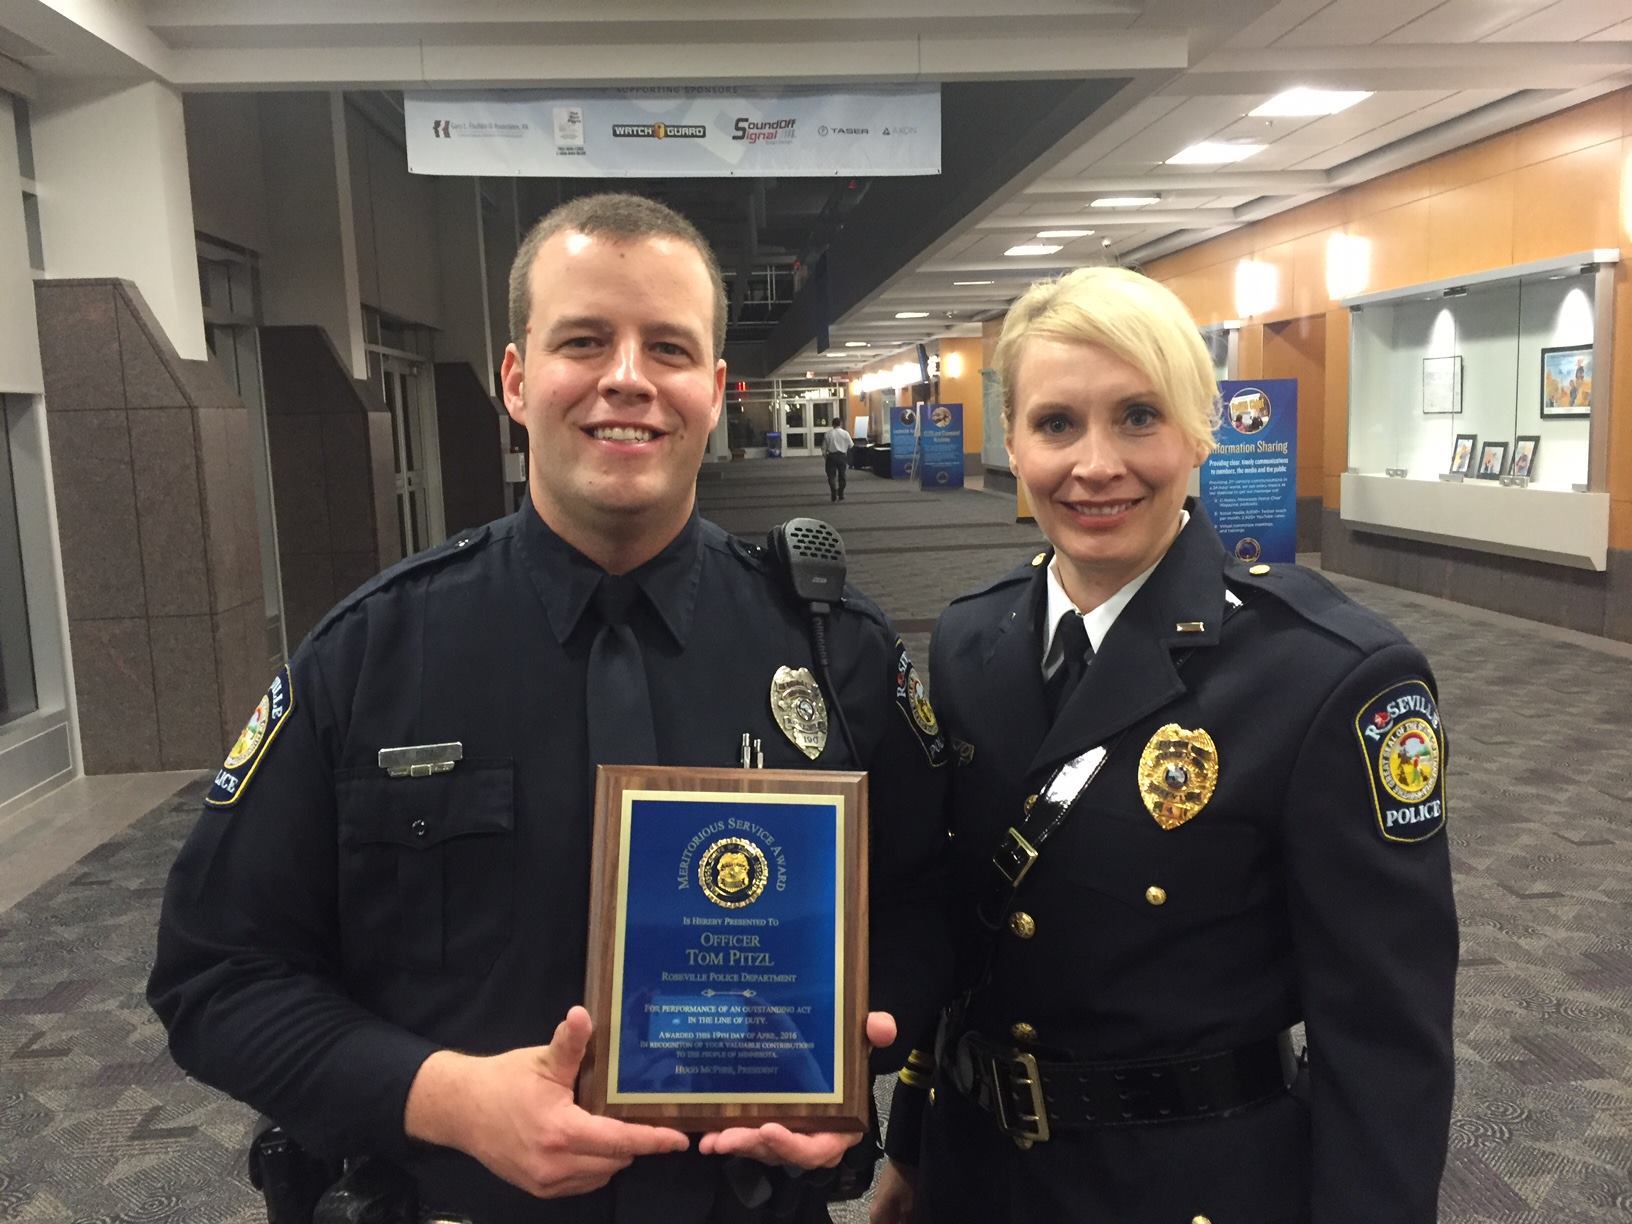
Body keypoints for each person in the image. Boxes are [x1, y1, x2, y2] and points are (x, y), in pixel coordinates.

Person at [149, 193, 951, 1224]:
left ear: (714, 390)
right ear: (517, 379)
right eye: (584, 341)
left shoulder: (833, 650)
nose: (628, 377)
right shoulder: (373, 656)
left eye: (668, 347)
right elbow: (216, 973)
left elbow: (932, 904)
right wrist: (442, 1097)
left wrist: (849, 1047)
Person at [872, 266, 1457, 1224]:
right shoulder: (971, 642)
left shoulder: (1325, 676)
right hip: (979, 1174)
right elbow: (967, 930)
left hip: (1187, 1182)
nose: (1096, 464)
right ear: (1011, 443)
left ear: (1198, 433)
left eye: (1139, 417)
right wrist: (915, 1142)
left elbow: (1384, 1038)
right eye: (1056, 424)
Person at [823, 420, 854, 502]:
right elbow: (851, 445)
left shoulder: (828, 434)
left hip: (831, 456)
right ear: (840, 424)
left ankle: (833, 491)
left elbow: (824, 449)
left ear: (832, 424)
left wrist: (826, 458)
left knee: (831, 476)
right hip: (842, 456)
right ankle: (841, 493)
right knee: (842, 476)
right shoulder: (845, 433)